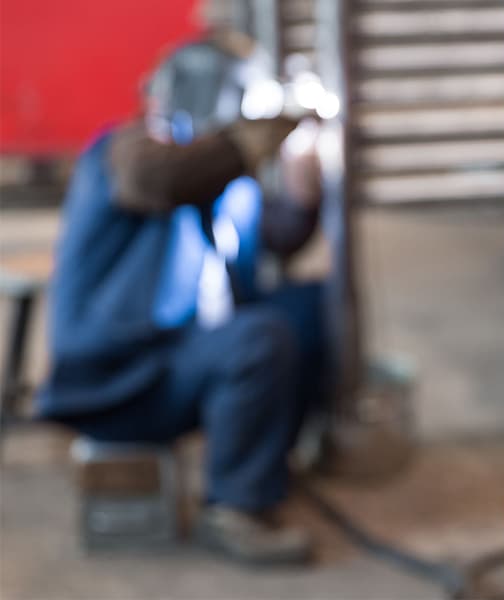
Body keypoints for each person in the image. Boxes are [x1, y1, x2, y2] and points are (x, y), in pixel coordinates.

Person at [35, 31, 334, 564]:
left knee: (309, 307)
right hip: (117, 382)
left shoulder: (223, 181)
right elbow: (158, 179)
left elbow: (276, 234)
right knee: (258, 338)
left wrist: (301, 187)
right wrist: (243, 145)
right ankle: (235, 508)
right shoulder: (124, 149)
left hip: (179, 367)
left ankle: (269, 462)